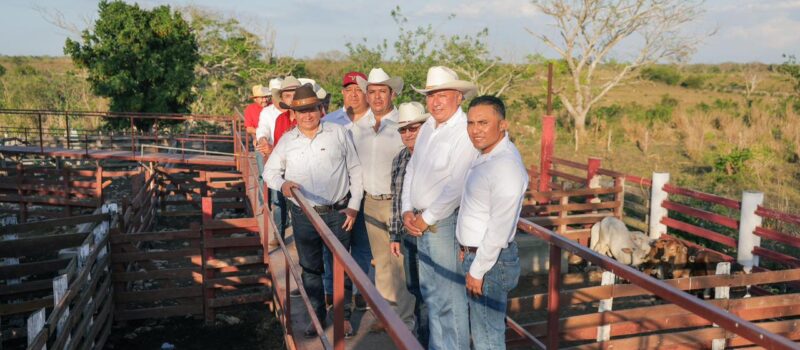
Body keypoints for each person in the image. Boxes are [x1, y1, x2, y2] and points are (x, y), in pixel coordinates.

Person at [263, 84, 362, 338]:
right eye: (302, 111)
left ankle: (344, 318)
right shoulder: (287, 141)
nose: (307, 115)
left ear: (321, 109)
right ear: (293, 114)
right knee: (310, 268)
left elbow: (355, 170)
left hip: (337, 211)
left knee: (342, 265)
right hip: (304, 214)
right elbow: (269, 172)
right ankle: (317, 315)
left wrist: (353, 207)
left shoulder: (338, 133)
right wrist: (283, 185)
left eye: (312, 109)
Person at [401, 66, 478, 350]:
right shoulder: (427, 129)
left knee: (450, 296)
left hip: (443, 223)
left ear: (458, 97)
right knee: (431, 293)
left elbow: (457, 185)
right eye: (431, 95)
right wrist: (407, 210)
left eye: (442, 95)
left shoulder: (463, 131)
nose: (435, 101)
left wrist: (425, 218)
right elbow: (412, 170)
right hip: (420, 221)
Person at [459, 96, 526, 350]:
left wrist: (477, 270)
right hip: (477, 256)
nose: (475, 130)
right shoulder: (487, 155)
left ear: (503, 124)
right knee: (482, 330)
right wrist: (464, 245)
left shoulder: (505, 166)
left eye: (483, 123)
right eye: (471, 123)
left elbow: (499, 227)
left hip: (489, 262)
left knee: (488, 336)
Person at [351, 68, 416, 332]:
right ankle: (388, 315)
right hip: (370, 200)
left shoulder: (403, 123)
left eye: (382, 92)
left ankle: (406, 321)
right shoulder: (360, 126)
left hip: (397, 202)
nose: (377, 97)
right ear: (367, 94)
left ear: (393, 94)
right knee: (380, 261)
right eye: (373, 92)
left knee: (399, 262)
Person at [321, 71, 373, 311]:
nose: (353, 94)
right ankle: (332, 290)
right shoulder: (330, 120)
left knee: (363, 245)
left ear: (366, 92)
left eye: (358, 89)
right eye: (348, 89)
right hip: (340, 193)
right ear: (342, 92)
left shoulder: (377, 120)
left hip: (370, 192)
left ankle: (360, 289)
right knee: (334, 245)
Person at [389, 101, 430, 345]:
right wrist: (394, 234)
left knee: (432, 292)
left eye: (413, 128)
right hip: (408, 233)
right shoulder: (400, 159)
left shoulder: (435, 157)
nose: (407, 134)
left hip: (433, 231)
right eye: (403, 130)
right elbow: (396, 198)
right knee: (414, 287)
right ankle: (422, 339)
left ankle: (427, 341)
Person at [258, 76, 299, 241]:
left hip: (298, 171)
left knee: (298, 207)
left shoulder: (306, 118)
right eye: (288, 95)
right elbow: (279, 147)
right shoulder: (280, 119)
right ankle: (279, 235)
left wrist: (271, 149)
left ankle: (298, 238)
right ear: (282, 98)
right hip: (282, 169)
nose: (292, 98)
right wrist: (269, 149)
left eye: (295, 94)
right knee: (278, 201)